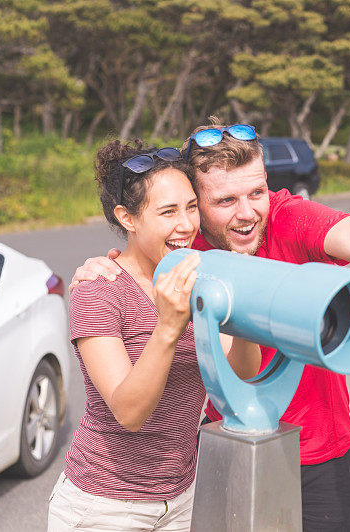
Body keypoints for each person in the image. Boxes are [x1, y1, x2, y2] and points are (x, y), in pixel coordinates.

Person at [70, 121, 350, 531]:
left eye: (257, 192)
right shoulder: (187, 245)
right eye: (224, 201)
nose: (247, 213)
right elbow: (140, 246)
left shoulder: (287, 217)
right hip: (224, 452)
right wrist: (103, 269)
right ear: (198, 205)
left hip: (320, 455)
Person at [48, 140, 260, 532]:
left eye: (191, 207)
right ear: (127, 218)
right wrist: (168, 326)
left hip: (180, 499)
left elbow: (243, 373)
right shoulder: (100, 290)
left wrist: (241, 311)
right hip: (103, 506)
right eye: (168, 212)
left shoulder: (199, 277)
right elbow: (129, 413)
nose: (186, 225)